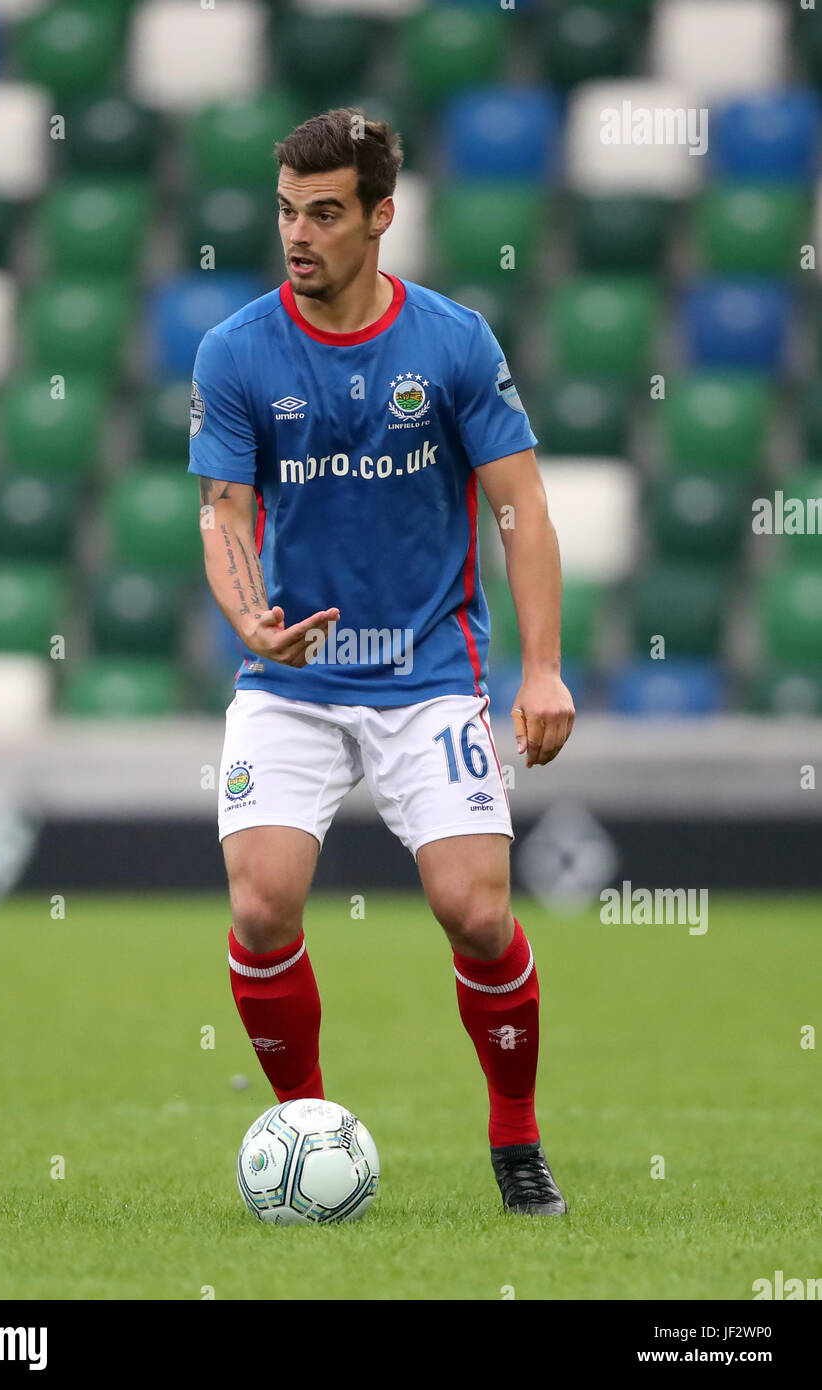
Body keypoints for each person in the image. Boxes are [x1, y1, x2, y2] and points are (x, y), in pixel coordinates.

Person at [190, 109, 574, 1215]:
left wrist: (539, 670)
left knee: (476, 912)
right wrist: (250, 620)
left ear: (378, 218)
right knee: (261, 905)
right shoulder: (236, 351)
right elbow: (223, 516)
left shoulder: (452, 343)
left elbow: (522, 510)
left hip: (424, 671)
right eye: (283, 213)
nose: (296, 236)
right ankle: (301, 1119)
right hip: (292, 679)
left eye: (322, 214)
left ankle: (514, 1138)